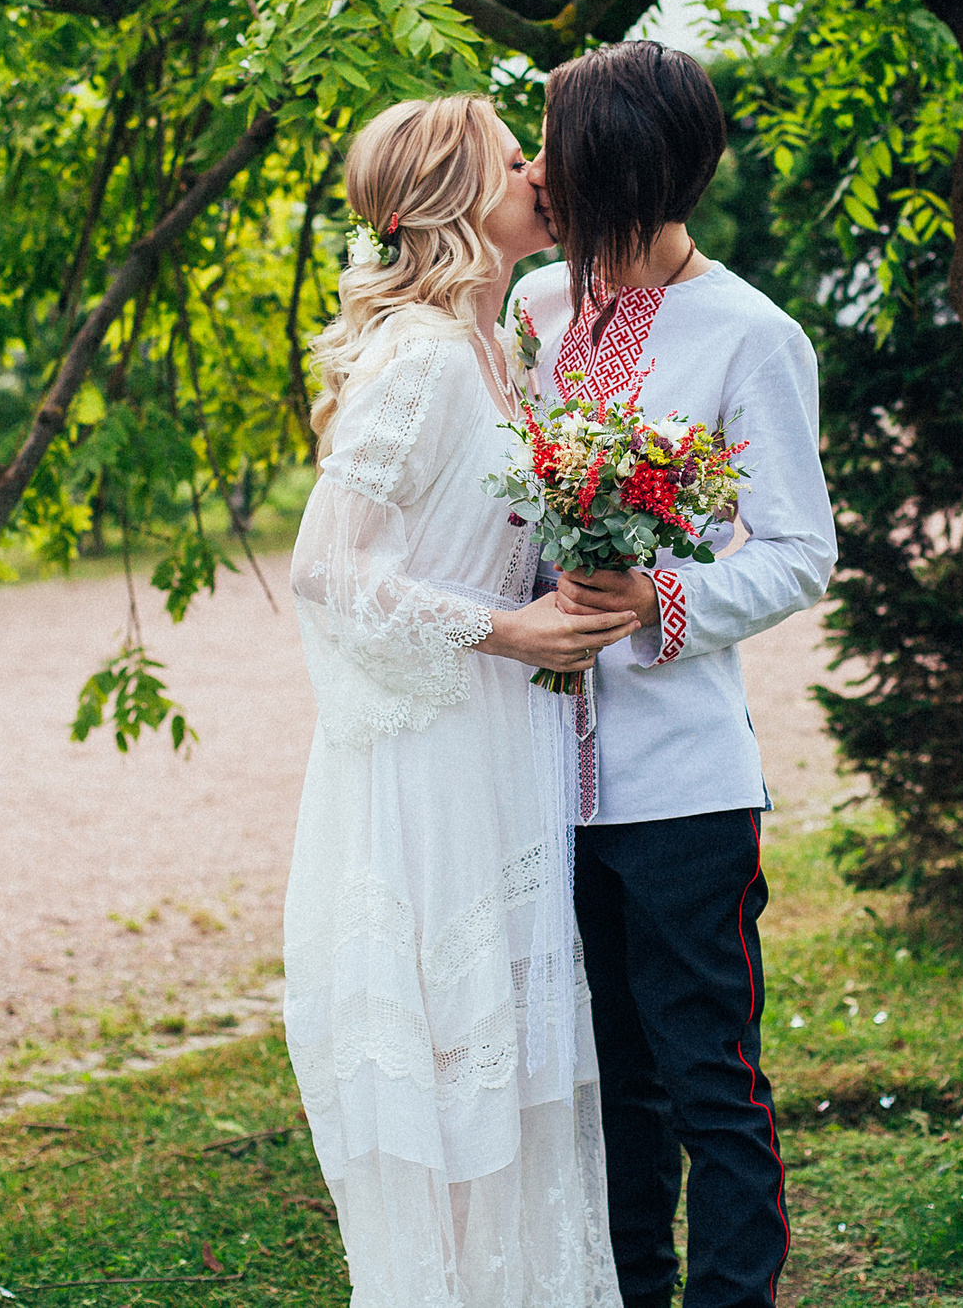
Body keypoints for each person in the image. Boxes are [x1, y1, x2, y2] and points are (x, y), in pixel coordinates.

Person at [284, 94, 634, 1308]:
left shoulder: (503, 348)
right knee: (454, 1077)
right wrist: (511, 629)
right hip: (436, 753)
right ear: (448, 201)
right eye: (512, 157)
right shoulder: (425, 356)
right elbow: (328, 567)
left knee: (521, 1075)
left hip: (505, 743)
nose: (543, 171)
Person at [513, 42, 837, 1308]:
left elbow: (802, 551)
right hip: (537, 781)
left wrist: (662, 598)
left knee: (709, 1078)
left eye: (556, 148)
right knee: (603, 1084)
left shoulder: (753, 335)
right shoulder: (535, 311)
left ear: (615, 171)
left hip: (684, 788)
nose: (537, 171)